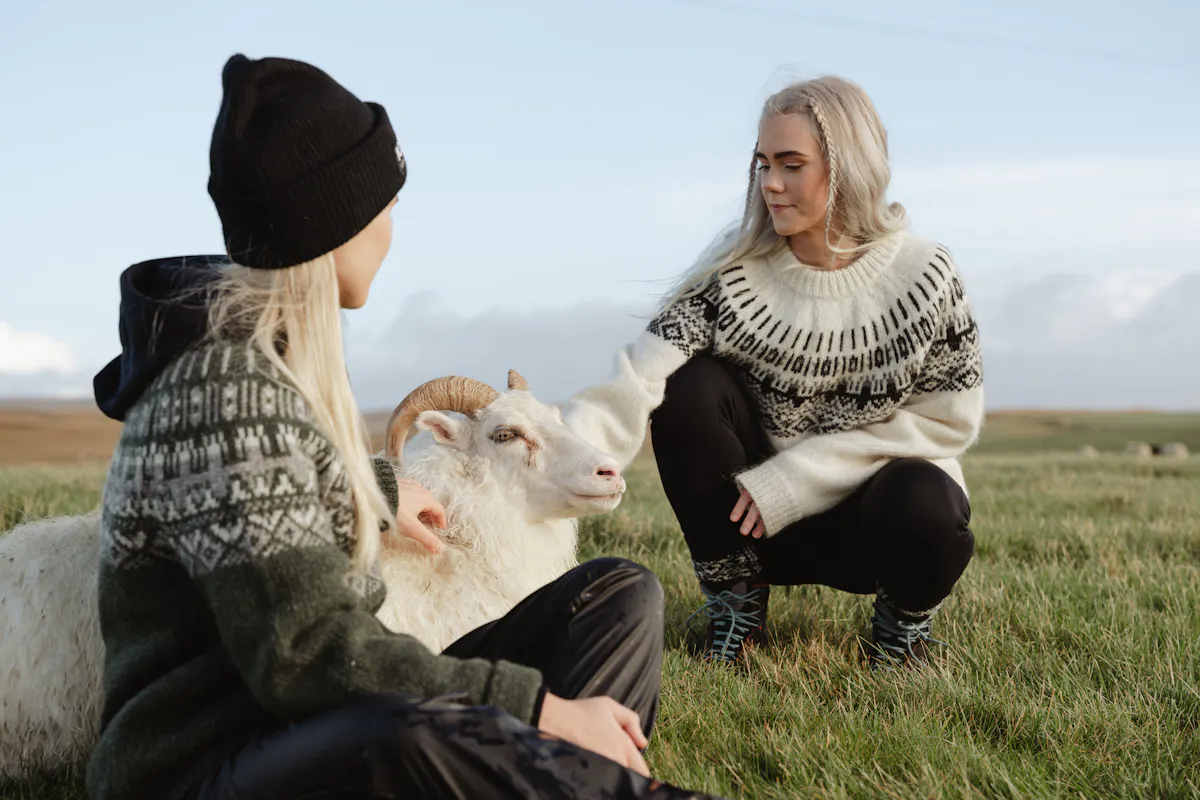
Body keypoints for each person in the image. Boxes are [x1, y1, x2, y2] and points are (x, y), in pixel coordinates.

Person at [86, 53, 721, 800]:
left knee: (617, 594)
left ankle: (572, 779)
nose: (391, 222)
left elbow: (266, 501)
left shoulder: (277, 362)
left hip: (290, 727)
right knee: (407, 730)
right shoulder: (225, 392)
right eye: (382, 200)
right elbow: (305, 655)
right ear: (330, 216)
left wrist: (378, 487)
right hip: (205, 763)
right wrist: (541, 707)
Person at [561, 75, 983, 668]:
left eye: (791, 164)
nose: (771, 184)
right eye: (762, 163)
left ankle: (901, 628)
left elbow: (948, 424)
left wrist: (799, 479)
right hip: (755, 524)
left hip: (875, 523)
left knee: (927, 499)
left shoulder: (926, 275)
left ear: (849, 167)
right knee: (688, 386)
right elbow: (637, 379)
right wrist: (560, 458)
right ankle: (736, 606)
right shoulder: (734, 273)